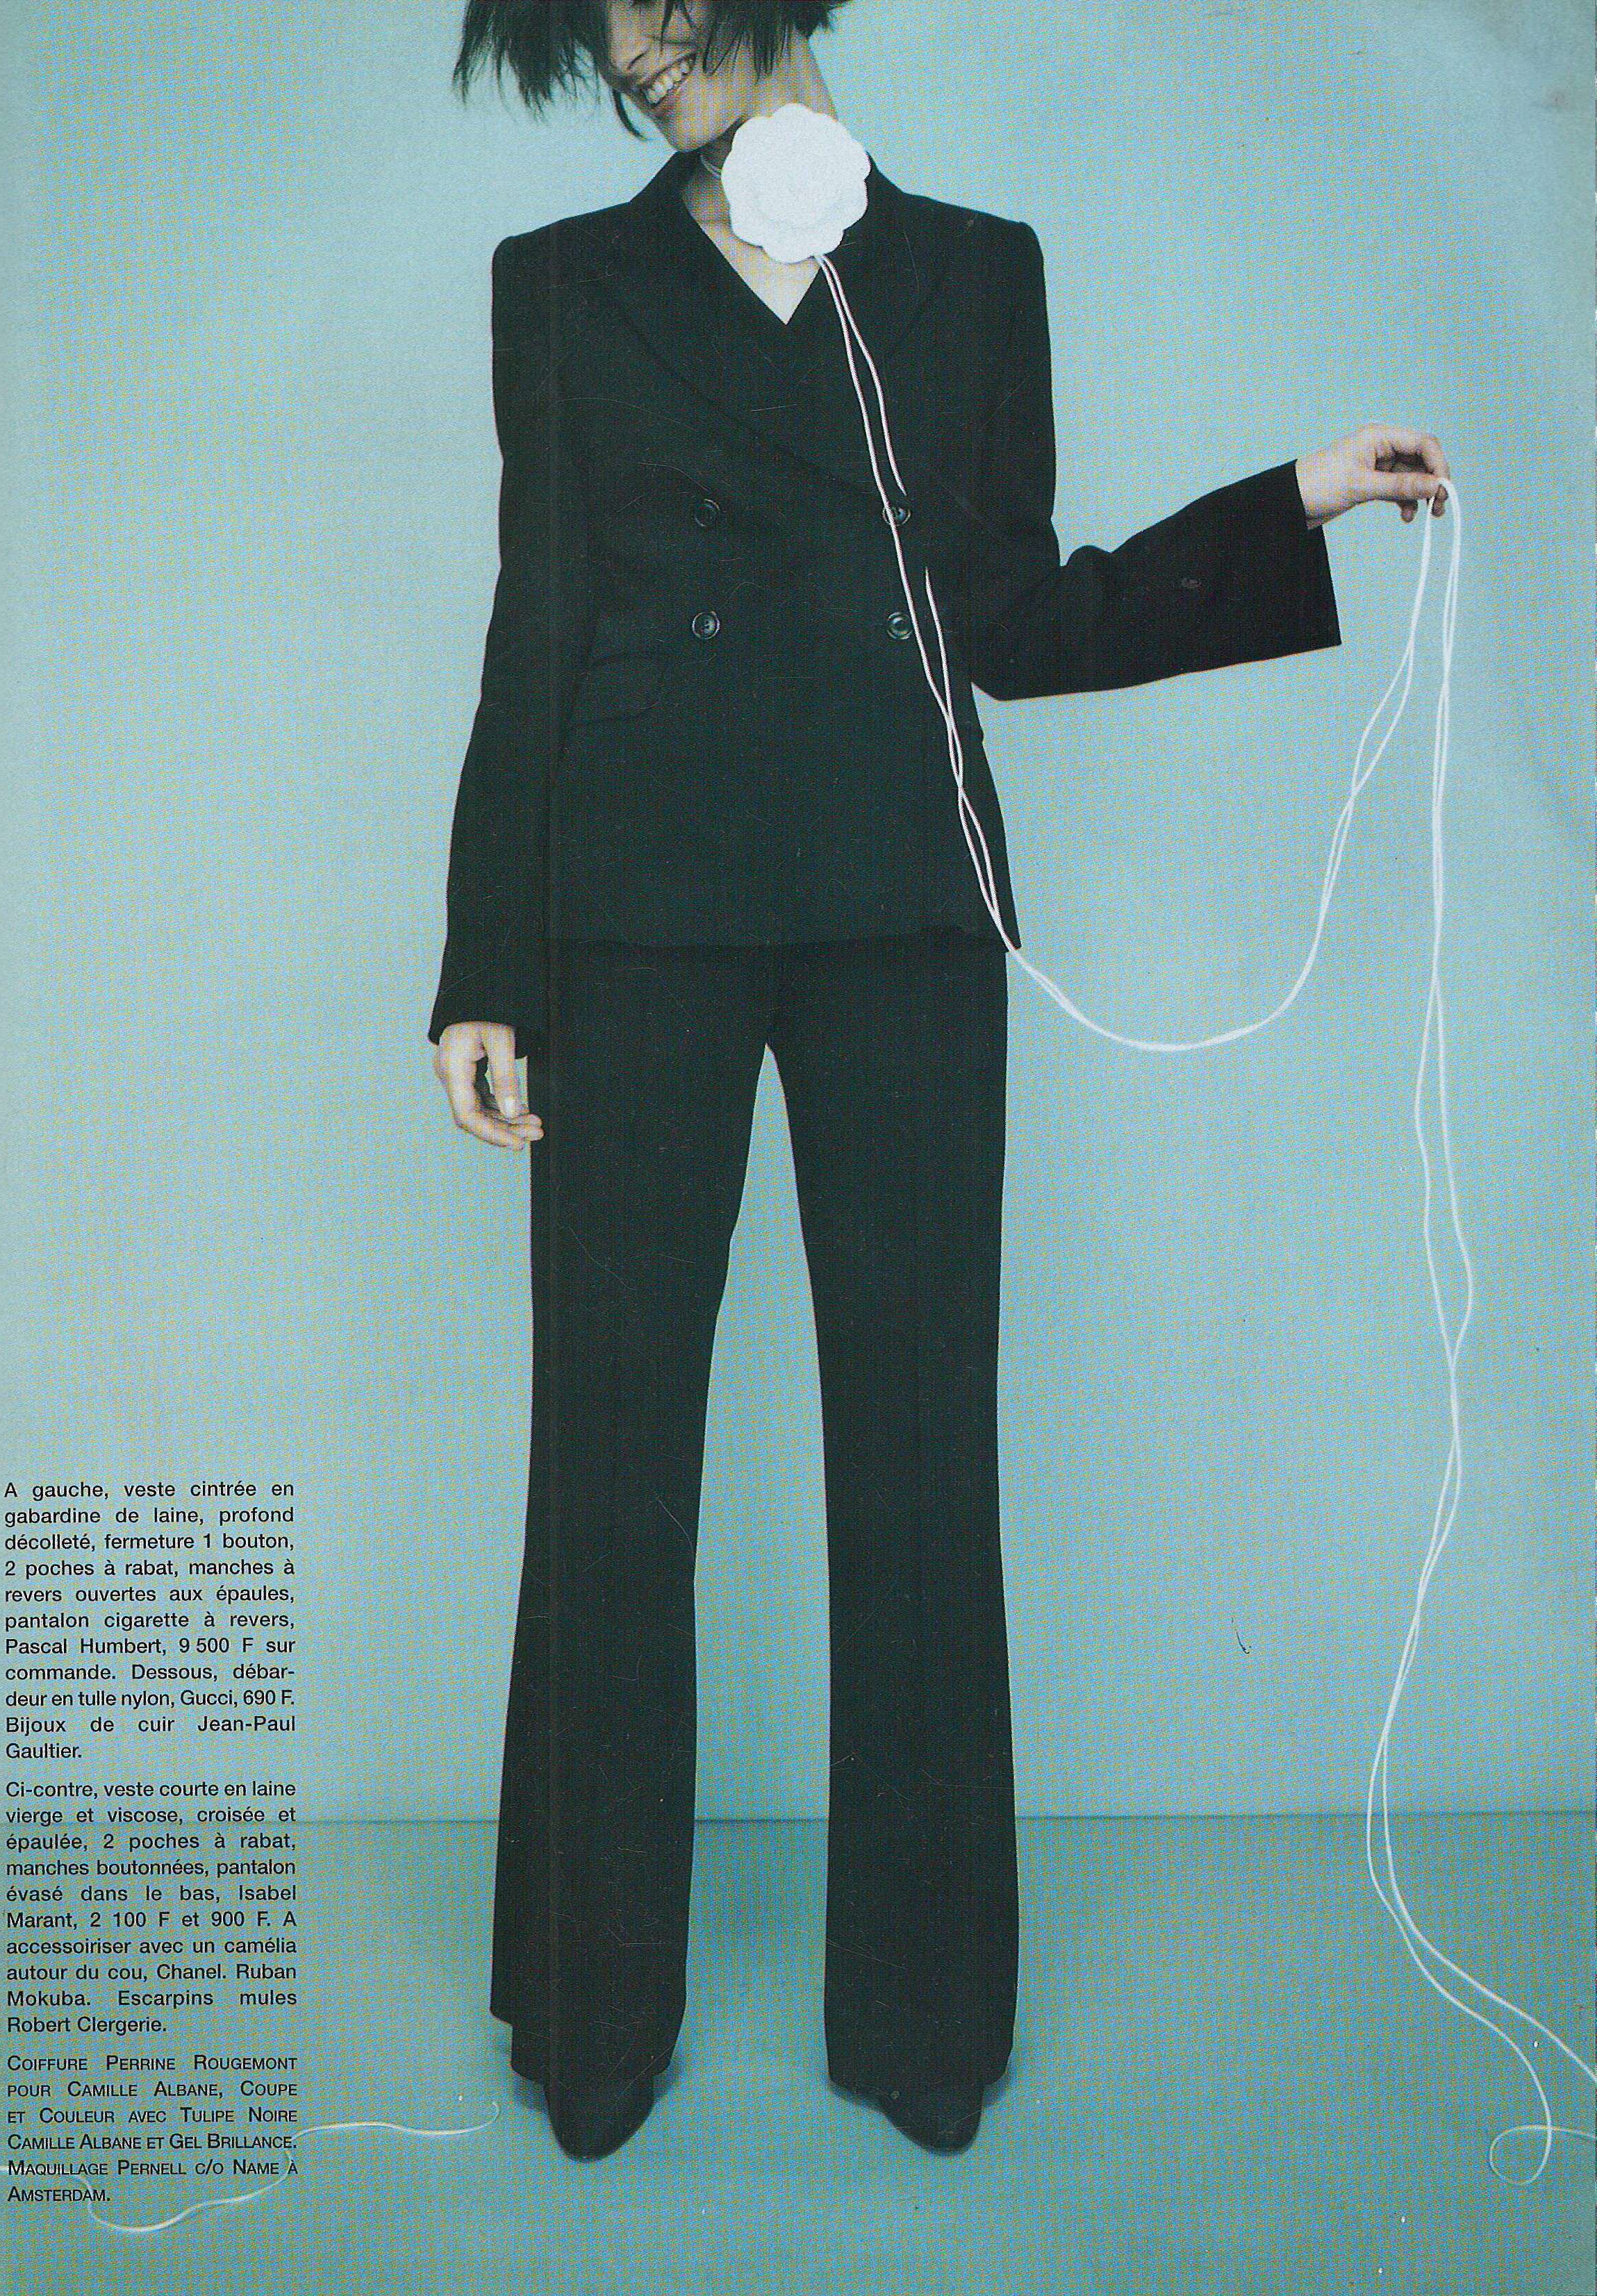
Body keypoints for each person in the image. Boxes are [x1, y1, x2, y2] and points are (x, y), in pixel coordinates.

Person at [428, 0, 1450, 2162]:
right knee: (609, 1462)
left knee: (917, 1455)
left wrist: (1293, 501)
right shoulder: (562, 286)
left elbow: (1021, 622)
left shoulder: (975, 274)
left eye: (656, 5)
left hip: (903, 912)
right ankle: (589, 2014)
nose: (630, 52)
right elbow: (538, 625)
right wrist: (483, 969)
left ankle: (925, 2021)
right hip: (629, 924)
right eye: (593, 28)